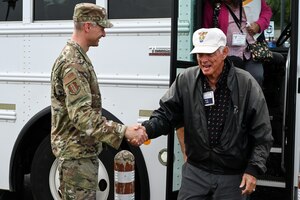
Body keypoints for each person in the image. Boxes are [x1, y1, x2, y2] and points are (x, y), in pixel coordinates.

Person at [142, 28, 273, 200]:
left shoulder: (246, 83)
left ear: (224, 52)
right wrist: (147, 129)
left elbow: (262, 133)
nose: (203, 60)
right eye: (199, 54)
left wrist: (253, 169)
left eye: (209, 53)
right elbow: (167, 114)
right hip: (195, 173)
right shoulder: (186, 79)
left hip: (232, 177)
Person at [50, 3, 148, 200]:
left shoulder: (78, 58)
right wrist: (124, 131)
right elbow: (82, 117)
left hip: (80, 156)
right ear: (87, 26)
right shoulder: (73, 64)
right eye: (101, 27)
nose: (104, 33)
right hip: (76, 160)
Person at [203, 0, 272, 86]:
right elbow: (207, 29)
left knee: (256, 77)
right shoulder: (212, 5)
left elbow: (266, 11)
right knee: (231, 81)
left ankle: (252, 99)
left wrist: (259, 25)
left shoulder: (252, 1)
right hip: (226, 54)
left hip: (250, 51)